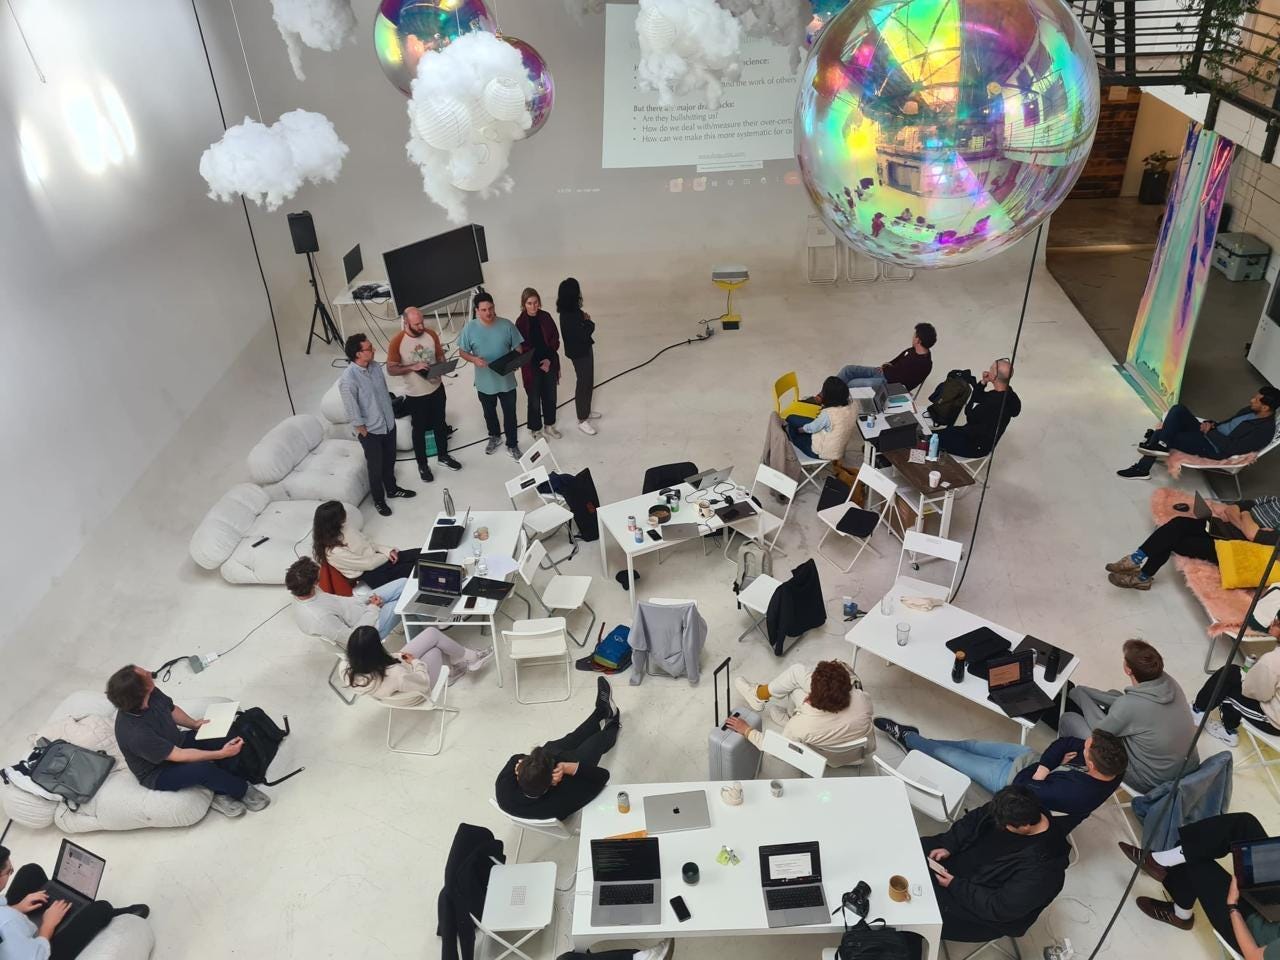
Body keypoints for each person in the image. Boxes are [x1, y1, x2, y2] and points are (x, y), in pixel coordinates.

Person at [875, 718, 1126, 831]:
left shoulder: (1073, 794)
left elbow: (1022, 787)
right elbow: (1066, 742)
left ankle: (908, 737)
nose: (1082, 745)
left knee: (951, 757)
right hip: (1030, 760)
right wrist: (1046, 767)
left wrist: (1044, 769)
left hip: (1010, 779)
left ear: (1092, 766)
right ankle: (920, 741)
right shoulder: (1113, 763)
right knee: (968, 745)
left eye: (1085, 749)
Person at [105, 665, 269, 818]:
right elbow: (179, 756)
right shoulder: (135, 733)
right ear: (140, 693)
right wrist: (220, 754)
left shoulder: (152, 693)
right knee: (203, 769)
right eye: (145, 675)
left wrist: (194, 724)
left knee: (225, 735)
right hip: (158, 771)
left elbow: (171, 709)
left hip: (177, 741)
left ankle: (225, 781)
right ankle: (238, 790)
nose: (149, 672)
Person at [922, 785, 1071, 943]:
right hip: (959, 863)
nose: (1001, 827)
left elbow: (999, 908)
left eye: (1007, 826)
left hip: (980, 908)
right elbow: (973, 820)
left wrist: (954, 885)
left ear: (1026, 826)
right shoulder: (1010, 807)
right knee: (908, 851)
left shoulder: (1044, 870)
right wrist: (949, 845)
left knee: (915, 909)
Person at [1119, 811, 1280, 956]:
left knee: (1193, 858)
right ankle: (1164, 862)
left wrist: (1232, 907)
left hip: (1254, 930)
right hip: (1276, 909)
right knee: (1245, 825)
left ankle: (1179, 909)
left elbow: (1253, 955)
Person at [1058, 639, 1197, 793]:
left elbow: (1099, 731)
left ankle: (1073, 760)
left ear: (1128, 669)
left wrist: (1081, 695)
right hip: (1183, 768)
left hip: (1149, 780)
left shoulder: (1131, 705)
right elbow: (1124, 702)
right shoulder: (1169, 682)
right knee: (1114, 694)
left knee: (1070, 719)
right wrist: (1085, 692)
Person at [494, 677, 620, 821]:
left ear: (518, 775)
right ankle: (614, 722)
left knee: (573, 737)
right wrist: (570, 768)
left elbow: (515, 758)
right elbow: (602, 776)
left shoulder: (504, 790)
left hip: (552, 764)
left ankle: (602, 711)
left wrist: (520, 763)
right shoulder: (564, 799)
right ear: (553, 781)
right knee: (598, 741)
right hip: (570, 770)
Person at [0, 844, 148, 960]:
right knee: (100, 909)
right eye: (9, 872)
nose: (12, 872)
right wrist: (48, 925)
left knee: (31, 872)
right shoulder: (8, 923)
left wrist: (16, 908)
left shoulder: (7, 919)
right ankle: (109, 915)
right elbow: (36, 956)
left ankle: (62, 900)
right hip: (38, 955)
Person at [1106, 495, 1280, 590]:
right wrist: (1246, 520)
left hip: (1231, 549)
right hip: (1219, 528)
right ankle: (1138, 563)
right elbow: (1231, 509)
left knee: (1174, 540)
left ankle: (1141, 572)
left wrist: (1245, 514)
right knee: (1179, 523)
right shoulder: (1273, 499)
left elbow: (1252, 535)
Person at [1117, 387, 1280, 480]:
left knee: (1163, 433)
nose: (1252, 400)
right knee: (1178, 409)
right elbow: (1228, 424)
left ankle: (1142, 468)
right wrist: (1211, 424)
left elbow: (1232, 448)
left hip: (1214, 448)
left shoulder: (1264, 431)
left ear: (1265, 408)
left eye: (1256, 400)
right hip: (1209, 433)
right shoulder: (1250, 411)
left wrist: (1209, 433)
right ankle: (1161, 444)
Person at [339, 334, 415, 517]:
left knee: (390, 460)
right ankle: (379, 500)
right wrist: (362, 429)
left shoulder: (374, 367)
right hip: (370, 431)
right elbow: (351, 407)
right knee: (375, 467)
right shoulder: (348, 379)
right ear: (358, 354)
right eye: (369, 348)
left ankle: (392, 488)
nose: (373, 350)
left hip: (388, 424)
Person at [727, 660, 875, 752]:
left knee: (794, 689)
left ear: (810, 696)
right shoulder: (863, 701)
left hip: (825, 753)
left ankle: (761, 697)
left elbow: (777, 748)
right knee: (796, 673)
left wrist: (747, 730)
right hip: (855, 753)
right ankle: (759, 695)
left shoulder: (799, 726)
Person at [385, 307, 462, 483]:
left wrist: (441, 368)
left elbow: (440, 356)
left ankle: (443, 456)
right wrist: (412, 366)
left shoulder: (431, 334)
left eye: (422, 322)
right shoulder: (397, 341)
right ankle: (423, 465)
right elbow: (391, 369)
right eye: (416, 324)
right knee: (418, 430)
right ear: (406, 322)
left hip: (436, 389)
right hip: (415, 395)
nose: (421, 326)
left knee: (440, 424)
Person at [457, 291, 525, 459]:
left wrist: (515, 361)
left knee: (510, 413)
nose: (489, 313)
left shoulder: (506, 325)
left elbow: (518, 348)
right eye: (484, 309)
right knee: (489, 412)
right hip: (484, 382)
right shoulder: (470, 328)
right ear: (477, 311)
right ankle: (494, 436)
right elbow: (462, 351)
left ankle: (512, 444)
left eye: (491, 308)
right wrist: (474, 359)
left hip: (506, 381)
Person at [343, 625, 492, 701]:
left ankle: (464, 658)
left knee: (432, 633)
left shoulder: (346, 670)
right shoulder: (396, 674)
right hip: (415, 692)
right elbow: (423, 683)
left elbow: (388, 667)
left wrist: (399, 657)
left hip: (392, 676)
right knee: (434, 650)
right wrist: (415, 662)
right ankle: (461, 666)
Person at [286, 557, 404, 643]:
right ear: (314, 583)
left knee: (403, 583)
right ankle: (417, 634)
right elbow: (353, 638)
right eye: (319, 578)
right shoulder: (321, 618)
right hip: (368, 629)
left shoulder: (306, 591)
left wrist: (366, 600)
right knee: (406, 603)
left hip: (361, 607)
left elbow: (339, 602)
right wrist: (373, 608)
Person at [311, 500, 420, 589]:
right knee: (420, 569)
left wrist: (388, 550)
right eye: (342, 512)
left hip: (379, 558)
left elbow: (368, 542)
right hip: (373, 573)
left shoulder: (345, 527)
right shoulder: (333, 551)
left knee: (422, 553)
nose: (346, 514)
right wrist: (386, 556)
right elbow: (368, 564)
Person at [1192, 644, 1280, 747]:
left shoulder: (1272, 660)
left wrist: (1247, 678)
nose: (1269, 627)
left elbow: (1257, 693)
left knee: (1225, 688)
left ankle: (1228, 731)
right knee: (1232, 672)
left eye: (1273, 626)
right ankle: (1198, 709)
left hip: (1273, 722)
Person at [938, 359, 1020, 458]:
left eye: (991, 368)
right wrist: (983, 382)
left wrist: (975, 399)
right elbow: (980, 399)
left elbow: (969, 413)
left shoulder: (992, 401)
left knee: (928, 438)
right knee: (936, 434)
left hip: (973, 445)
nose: (988, 371)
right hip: (979, 439)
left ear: (994, 376)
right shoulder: (1011, 396)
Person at [515, 288, 563, 441]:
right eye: (529, 303)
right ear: (524, 304)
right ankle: (535, 429)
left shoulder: (546, 317)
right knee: (534, 398)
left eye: (536, 302)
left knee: (550, 395)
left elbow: (555, 339)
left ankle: (549, 425)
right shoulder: (520, 322)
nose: (533, 306)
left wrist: (548, 361)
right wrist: (538, 363)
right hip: (532, 366)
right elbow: (523, 347)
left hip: (549, 362)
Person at [836, 322, 937, 393]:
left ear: (918, 340)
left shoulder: (924, 365)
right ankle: (824, 395)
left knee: (851, 384)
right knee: (848, 370)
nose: (912, 337)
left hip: (888, 385)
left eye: (914, 335)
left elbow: (904, 384)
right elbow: (898, 359)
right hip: (883, 373)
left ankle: (834, 400)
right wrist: (887, 365)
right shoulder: (913, 350)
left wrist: (888, 373)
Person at [557, 277, 601, 435]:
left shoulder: (572, 310)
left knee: (589, 380)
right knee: (583, 382)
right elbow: (583, 333)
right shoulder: (569, 315)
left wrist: (584, 320)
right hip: (579, 352)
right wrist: (589, 322)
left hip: (584, 349)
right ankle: (582, 419)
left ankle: (586, 411)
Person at [785, 377, 856, 459]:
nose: (821, 393)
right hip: (839, 448)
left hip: (820, 452)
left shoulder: (828, 414)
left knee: (791, 420)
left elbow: (812, 428)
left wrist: (801, 430)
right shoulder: (853, 407)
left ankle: (790, 436)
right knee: (801, 421)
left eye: (823, 391)